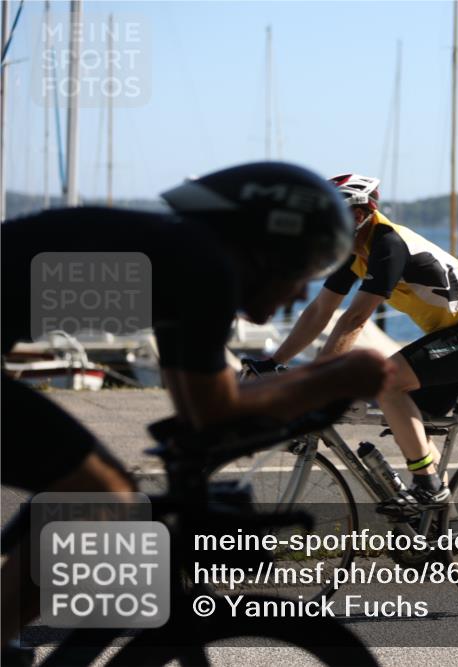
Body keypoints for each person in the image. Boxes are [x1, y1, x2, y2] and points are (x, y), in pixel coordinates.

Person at [0, 162, 392, 659]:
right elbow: (214, 410)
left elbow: (198, 413)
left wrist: (315, 381)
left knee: (98, 497)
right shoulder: (201, 266)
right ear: (268, 250)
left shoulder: (179, 257)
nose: (300, 293)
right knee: (101, 496)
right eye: (303, 270)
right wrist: (331, 378)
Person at [265, 173, 458, 515]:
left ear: (357, 216)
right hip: (456, 335)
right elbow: (321, 310)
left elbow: (354, 319)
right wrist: (274, 360)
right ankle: (442, 533)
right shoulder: (356, 253)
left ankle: (427, 487)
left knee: (387, 382)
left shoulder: (388, 245)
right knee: (402, 419)